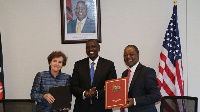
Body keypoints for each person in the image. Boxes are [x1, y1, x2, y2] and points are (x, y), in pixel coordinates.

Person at [71, 39, 117, 112]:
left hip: (102, 108)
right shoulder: (78, 65)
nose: (90, 49)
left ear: (99, 48)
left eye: (93, 46)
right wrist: (84, 93)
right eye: (88, 47)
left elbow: (112, 87)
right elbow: (73, 86)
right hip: (82, 107)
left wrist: (97, 93)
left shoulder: (108, 65)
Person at [121, 45, 161, 112]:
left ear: (138, 55)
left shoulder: (147, 72)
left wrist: (134, 101)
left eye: (131, 54)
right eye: (125, 55)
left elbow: (156, 96)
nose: (128, 57)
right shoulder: (124, 74)